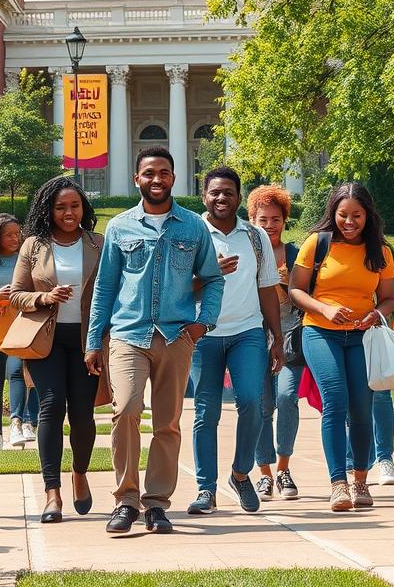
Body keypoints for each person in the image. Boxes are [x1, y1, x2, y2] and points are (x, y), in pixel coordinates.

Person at [86, 147, 224, 535]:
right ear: (137, 179)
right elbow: (105, 286)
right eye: (149, 173)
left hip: (177, 336)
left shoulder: (193, 226)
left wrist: (202, 325)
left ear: (173, 178)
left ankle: (157, 504)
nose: (157, 179)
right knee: (126, 410)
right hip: (129, 334)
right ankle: (126, 501)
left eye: (164, 172)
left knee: (168, 423)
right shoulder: (120, 227)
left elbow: (213, 278)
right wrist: (93, 341)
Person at [289, 182, 394, 512]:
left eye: (357, 216)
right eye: (343, 215)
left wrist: (377, 314)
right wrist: (324, 308)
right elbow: (296, 289)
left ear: (368, 215)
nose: (349, 222)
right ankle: (338, 484)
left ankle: (360, 481)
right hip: (320, 332)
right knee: (335, 400)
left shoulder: (380, 251)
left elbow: (390, 297)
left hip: (362, 337)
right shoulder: (317, 243)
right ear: (333, 214)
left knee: (362, 408)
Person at [187, 167, 283, 516]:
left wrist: (277, 337)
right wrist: (209, 274)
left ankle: (241, 474)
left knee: (252, 403)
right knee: (205, 411)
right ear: (204, 197)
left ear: (239, 198)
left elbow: (267, 288)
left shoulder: (255, 237)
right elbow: (176, 288)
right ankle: (205, 488)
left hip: (248, 332)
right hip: (203, 334)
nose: (221, 198)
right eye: (214, 192)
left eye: (228, 192)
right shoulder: (191, 233)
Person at [10, 175, 104, 523]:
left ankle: (80, 472)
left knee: (82, 414)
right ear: (48, 210)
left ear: (84, 208)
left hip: (87, 341)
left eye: (75, 206)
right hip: (46, 338)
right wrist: (44, 297)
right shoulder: (34, 245)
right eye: (61, 207)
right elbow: (16, 294)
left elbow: (111, 290)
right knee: (50, 408)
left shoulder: (99, 243)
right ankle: (52, 492)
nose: (68, 212)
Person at [249, 184, 305, 501]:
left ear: (284, 220)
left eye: (275, 219)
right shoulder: (247, 253)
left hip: (291, 335)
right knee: (260, 407)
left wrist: (289, 285)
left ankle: (283, 469)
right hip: (254, 337)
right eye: (262, 220)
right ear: (252, 220)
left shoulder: (296, 254)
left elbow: (309, 293)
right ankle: (265, 474)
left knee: (286, 398)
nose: (269, 225)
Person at [0, 213, 38, 451]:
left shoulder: (25, 260)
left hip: (20, 327)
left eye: (17, 234)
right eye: (9, 235)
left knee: (17, 373)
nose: (16, 239)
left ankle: (18, 422)